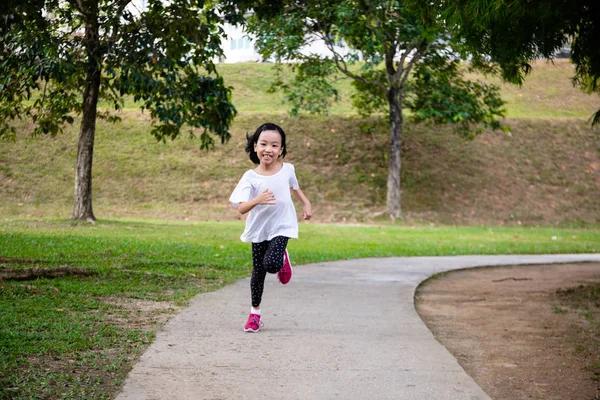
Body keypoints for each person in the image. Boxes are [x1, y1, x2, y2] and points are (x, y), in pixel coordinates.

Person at [229, 122, 312, 333]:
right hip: (260, 229)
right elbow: (240, 208)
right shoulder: (250, 177)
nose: (269, 149)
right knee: (258, 271)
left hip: (283, 224)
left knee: (272, 264)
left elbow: (295, 188)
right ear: (255, 146)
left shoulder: (288, 169)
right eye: (264, 144)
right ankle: (254, 314)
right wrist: (258, 199)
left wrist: (306, 203)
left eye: (275, 146)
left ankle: (281, 258)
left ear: (281, 150)